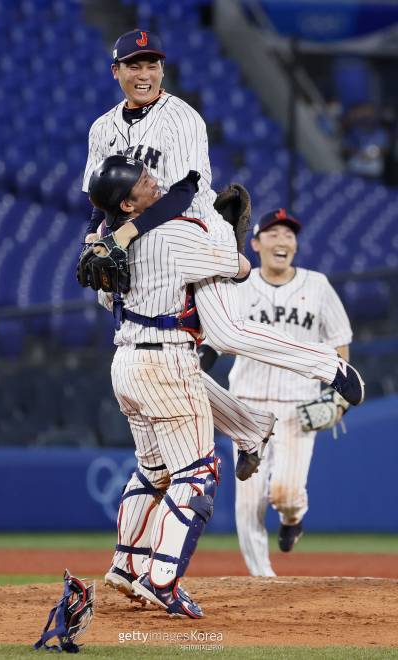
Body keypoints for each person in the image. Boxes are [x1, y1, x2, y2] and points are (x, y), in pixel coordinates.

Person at [82, 28, 365, 410]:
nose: (144, 73)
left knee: (227, 333)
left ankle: (328, 365)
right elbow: (100, 199)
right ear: (116, 71)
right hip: (140, 242)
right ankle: (250, 429)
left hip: (192, 230)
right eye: (135, 65)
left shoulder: (182, 118)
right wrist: (92, 239)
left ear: (163, 70)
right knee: (157, 350)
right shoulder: (102, 129)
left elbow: (182, 192)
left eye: (152, 64)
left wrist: (127, 233)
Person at [89, 154, 275, 618]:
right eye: (144, 181)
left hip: (126, 362)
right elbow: (241, 268)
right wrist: (228, 237)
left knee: (154, 471)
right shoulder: (169, 234)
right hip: (166, 360)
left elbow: (102, 290)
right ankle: (163, 579)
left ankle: (127, 565)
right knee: (196, 472)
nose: (155, 182)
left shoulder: (106, 243)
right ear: (129, 204)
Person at [227, 209, 353, 577]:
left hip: (299, 405)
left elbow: (339, 342)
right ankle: (261, 579)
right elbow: (216, 340)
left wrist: (339, 397)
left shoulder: (317, 285)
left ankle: (293, 518)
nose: (283, 240)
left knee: (284, 492)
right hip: (247, 406)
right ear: (255, 244)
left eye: (289, 235)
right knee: (248, 499)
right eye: (273, 233)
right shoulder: (239, 287)